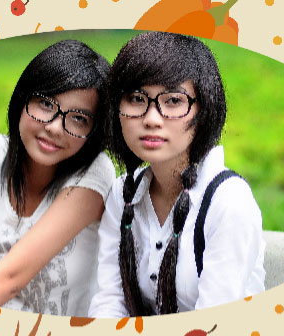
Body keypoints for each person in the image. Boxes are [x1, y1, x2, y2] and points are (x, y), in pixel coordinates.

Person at [0, 39, 115, 316]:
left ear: (93, 132)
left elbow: (9, 279)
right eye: (45, 104)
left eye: (78, 118)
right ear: (22, 99)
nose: (54, 127)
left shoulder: (95, 173)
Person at [88, 32, 266, 317]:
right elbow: (109, 302)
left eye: (173, 100)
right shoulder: (123, 195)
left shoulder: (228, 202)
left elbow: (213, 328)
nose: (151, 119)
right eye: (136, 98)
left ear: (203, 111)